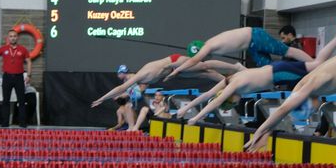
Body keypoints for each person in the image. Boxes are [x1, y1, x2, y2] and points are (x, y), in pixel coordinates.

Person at [186, 28, 336, 125]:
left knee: (317, 68)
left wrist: (195, 117)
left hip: (278, 73)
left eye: (232, 103)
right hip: (276, 71)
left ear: (230, 98)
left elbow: (215, 101)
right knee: (317, 68)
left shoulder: (233, 86)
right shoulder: (229, 80)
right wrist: (187, 109)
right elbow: (208, 96)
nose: (235, 103)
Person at [164, 27, 313, 81]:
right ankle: (299, 73)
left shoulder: (208, 47)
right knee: (268, 70)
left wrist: (176, 70)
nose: (203, 58)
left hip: (256, 36)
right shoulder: (209, 44)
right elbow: (208, 64)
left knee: (288, 51)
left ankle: (315, 66)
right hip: (251, 45)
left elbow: (195, 61)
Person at [91, 55, 234, 108]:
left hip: (175, 62)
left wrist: (102, 99)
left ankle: (235, 67)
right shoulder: (143, 81)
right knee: (206, 75)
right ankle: (229, 81)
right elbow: (127, 90)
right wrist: (103, 99)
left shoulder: (145, 74)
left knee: (205, 66)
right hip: (173, 72)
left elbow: (120, 88)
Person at [0, 29, 32, 128]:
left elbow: (29, 61)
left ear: (17, 37)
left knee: (21, 100)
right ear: (8, 38)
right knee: (5, 101)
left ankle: (23, 123)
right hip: (7, 77)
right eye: (11, 36)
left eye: (15, 36)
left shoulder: (23, 49)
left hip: (19, 77)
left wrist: (28, 75)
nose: (13, 38)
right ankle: (5, 123)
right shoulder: (3, 49)